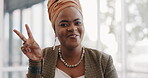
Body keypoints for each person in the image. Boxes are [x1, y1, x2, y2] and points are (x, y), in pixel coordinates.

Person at [13, 0, 118, 78]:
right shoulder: (43, 57)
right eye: (64, 24)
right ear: (55, 30)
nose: (72, 28)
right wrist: (35, 62)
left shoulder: (103, 61)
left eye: (77, 23)